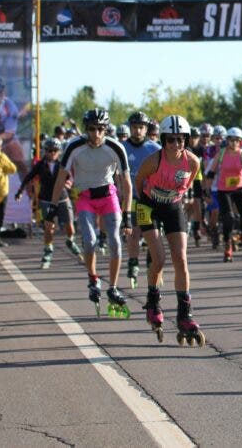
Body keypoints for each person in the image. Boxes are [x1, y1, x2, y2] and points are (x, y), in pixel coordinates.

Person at [52, 108, 134, 317]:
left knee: (115, 241)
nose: (96, 134)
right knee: (89, 241)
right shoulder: (74, 146)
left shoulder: (115, 146)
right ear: (86, 129)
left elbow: (126, 183)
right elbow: (60, 178)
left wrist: (128, 216)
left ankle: (113, 287)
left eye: (100, 129)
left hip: (108, 197)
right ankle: (93, 278)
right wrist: (52, 208)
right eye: (91, 129)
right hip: (86, 198)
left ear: (106, 129)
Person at [134, 115, 205, 346]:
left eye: (181, 139)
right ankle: (153, 300)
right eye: (172, 140)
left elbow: (189, 184)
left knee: (181, 259)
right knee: (160, 259)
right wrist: (142, 204)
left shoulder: (193, 162)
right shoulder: (153, 161)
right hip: (149, 205)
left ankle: (185, 313)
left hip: (173, 206)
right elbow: (139, 183)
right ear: (163, 140)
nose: (177, 144)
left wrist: (174, 199)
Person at [16, 137, 82, 267]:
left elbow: (71, 177)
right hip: (46, 199)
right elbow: (28, 177)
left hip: (62, 198)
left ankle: (70, 241)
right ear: (45, 151)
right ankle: (48, 250)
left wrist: (69, 183)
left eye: (55, 150)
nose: (52, 153)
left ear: (59, 152)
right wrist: (20, 191)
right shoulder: (40, 165)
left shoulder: (63, 163)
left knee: (70, 227)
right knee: (49, 228)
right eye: (49, 150)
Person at [123, 112, 161, 287]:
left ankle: (152, 263)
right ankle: (133, 263)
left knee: (151, 233)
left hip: (149, 198)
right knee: (133, 231)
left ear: (146, 129)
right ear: (130, 128)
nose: (137, 131)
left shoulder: (154, 149)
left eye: (141, 127)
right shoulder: (122, 147)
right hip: (131, 197)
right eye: (134, 127)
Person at [206, 127, 242, 262]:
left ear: (241, 142)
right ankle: (227, 244)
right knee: (229, 217)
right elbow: (211, 172)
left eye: (237, 140)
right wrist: (206, 190)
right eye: (231, 140)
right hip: (224, 191)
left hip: (240, 189)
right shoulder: (221, 154)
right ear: (228, 141)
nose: (234, 143)